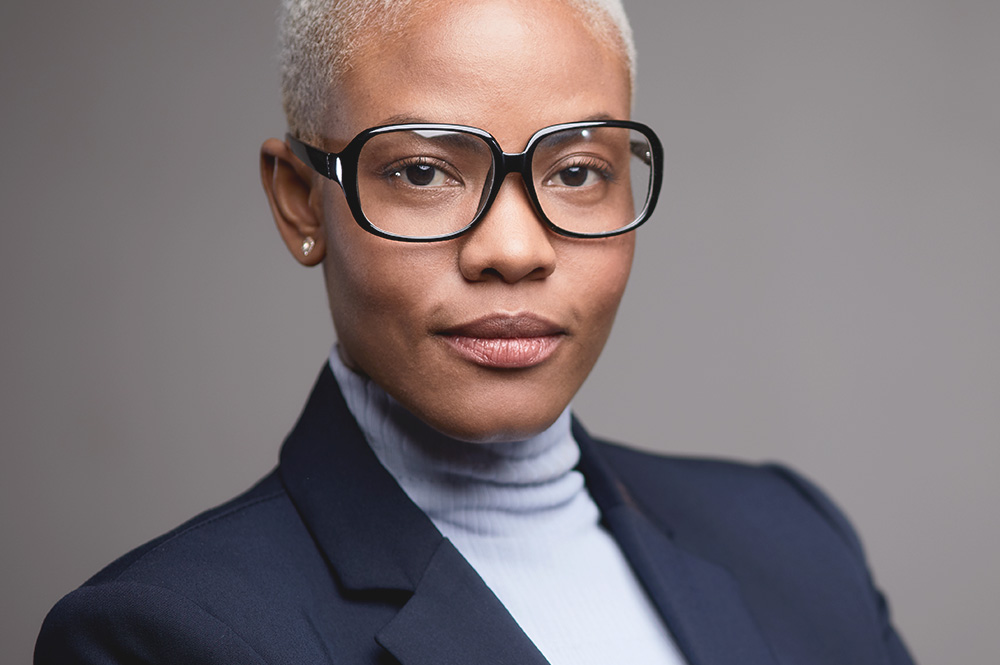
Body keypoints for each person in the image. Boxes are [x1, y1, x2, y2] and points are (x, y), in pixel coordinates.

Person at [35, 1, 916, 663]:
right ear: (301, 200)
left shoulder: (796, 539)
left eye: (577, 171)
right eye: (423, 171)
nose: (513, 248)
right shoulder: (169, 632)